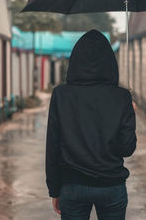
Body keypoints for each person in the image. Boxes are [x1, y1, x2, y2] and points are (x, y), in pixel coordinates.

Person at [45, 29, 137, 220]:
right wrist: (129, 114)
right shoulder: (121, 97)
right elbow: (126, 148)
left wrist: (55, 189)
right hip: (111, 186)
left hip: (72, 186)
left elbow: (52, 146)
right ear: (110, 63)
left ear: (75, 61)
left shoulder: (61, 95)